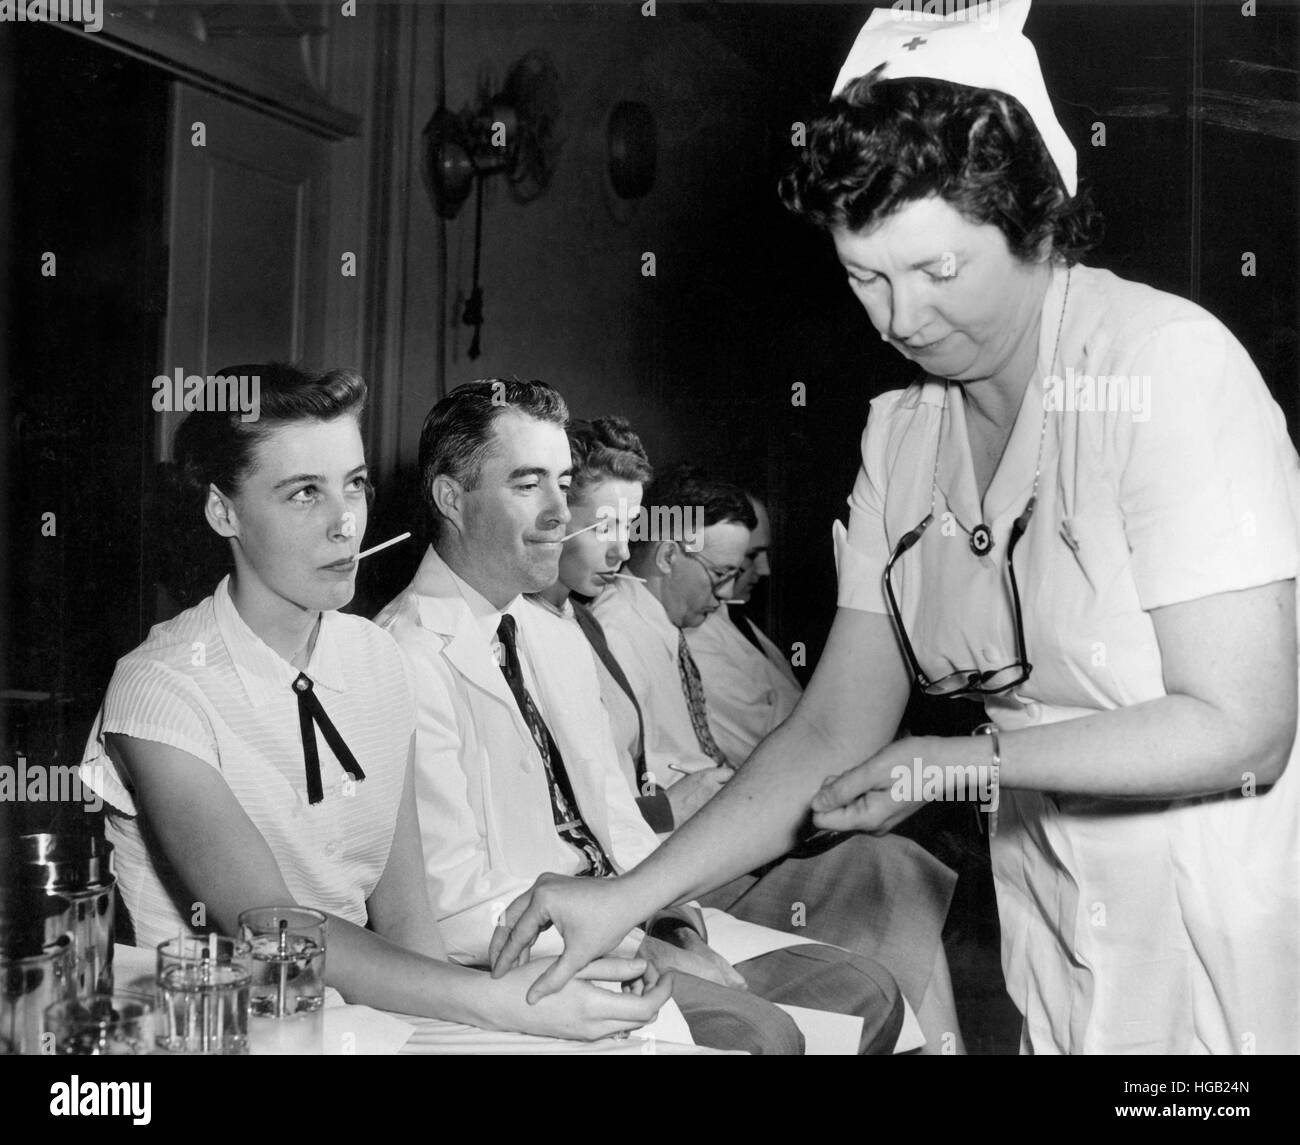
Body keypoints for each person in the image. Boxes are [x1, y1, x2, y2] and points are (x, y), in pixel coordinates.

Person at [492, 0, 1300, 1055]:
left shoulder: (1163, 368)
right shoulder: (903, 436)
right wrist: (627, 892)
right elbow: (832, 728)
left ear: (1037, 224)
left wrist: (954, 764)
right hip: (1054, 910)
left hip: (1222, 908)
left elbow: (1242, 723)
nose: (898, 317)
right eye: (863, 275)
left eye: (938, 270)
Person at [78, 362, 673, 1044]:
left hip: (370, 1018)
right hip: (223, 1029)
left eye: (354, 485)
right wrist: (504, 1004)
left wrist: (544, 997)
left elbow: (409, 923)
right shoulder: (158, 686)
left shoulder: (374, 660)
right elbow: (273, 926)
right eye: (304, 493)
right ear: (223, 510)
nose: (345, 524)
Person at [375, 379, 910, 1054]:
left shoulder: (551, 630)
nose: (558, 512)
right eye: (526, 484)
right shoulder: (400, 653)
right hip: (529, 955)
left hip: (625, 918)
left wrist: (673, 922)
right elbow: (450, 903)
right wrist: (638, 944)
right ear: (451, 497)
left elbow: (619, 818)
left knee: (867, 988)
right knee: (763, 1034)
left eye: (563, 484)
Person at [542, 422, 962, 1052]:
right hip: (646, 862)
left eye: (626, 532)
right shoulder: (601, 624)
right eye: (604, 529)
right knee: (887, 870)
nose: (620, 553)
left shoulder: (610, 621)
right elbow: (590, 805)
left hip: (659, 856)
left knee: (895, 869)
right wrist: (669, 812)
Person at [684, 491, 804, 766]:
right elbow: (765, 743)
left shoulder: (733, 617)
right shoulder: (694, 634)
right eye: (752, 556)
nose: (764, 570)